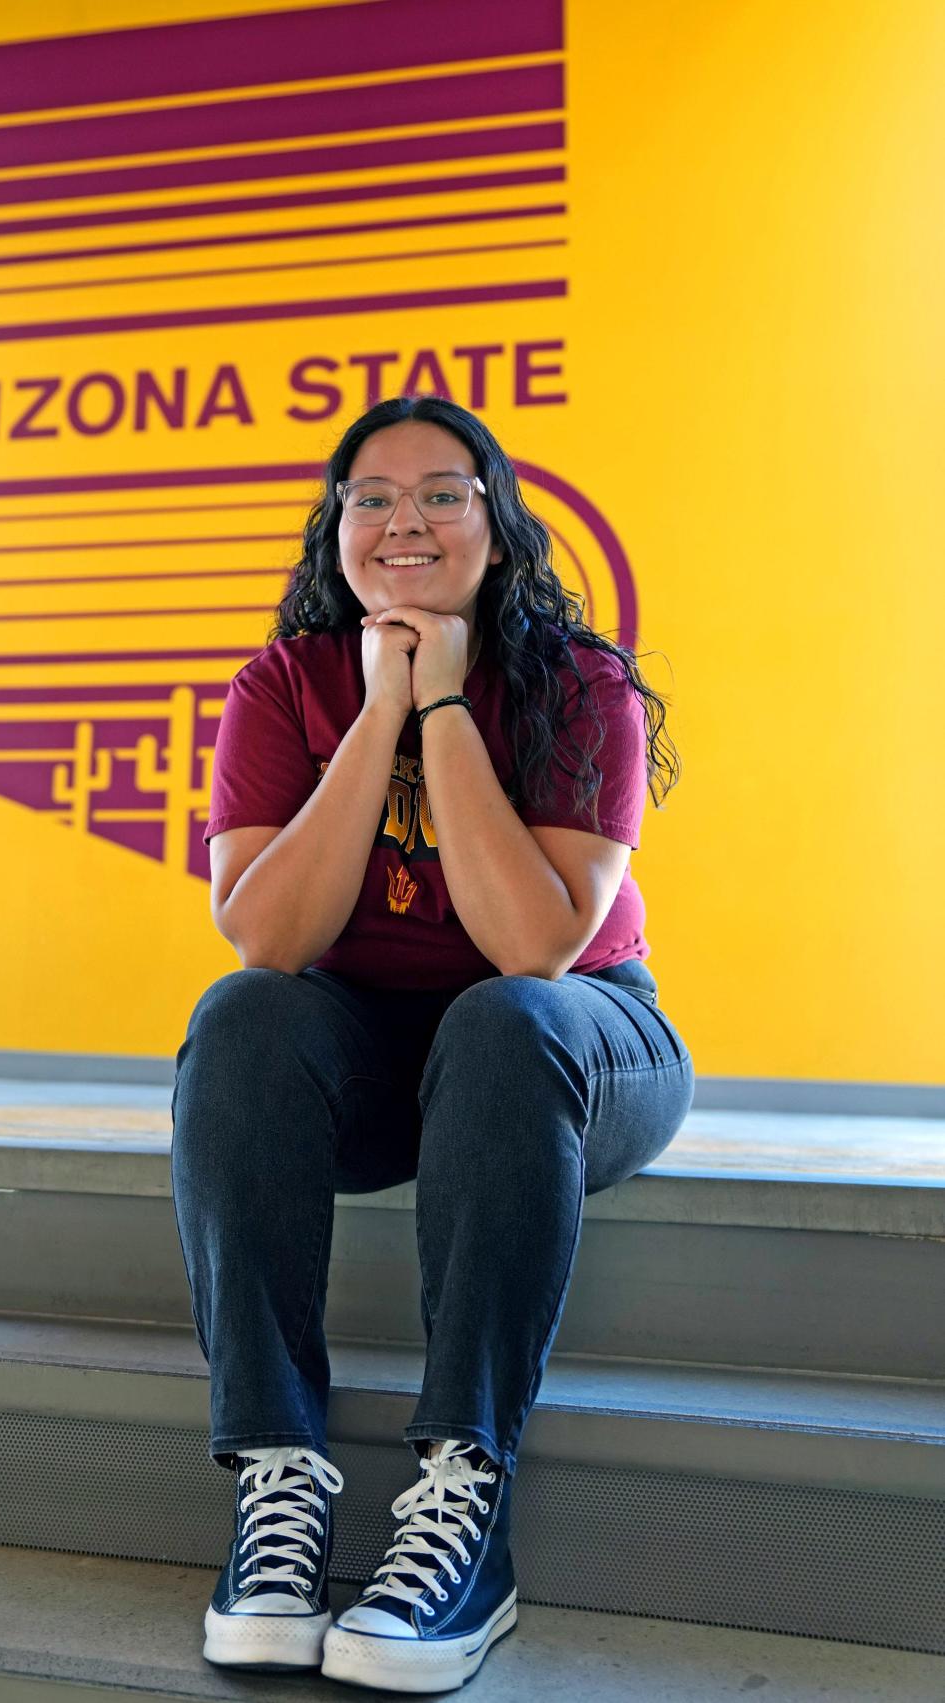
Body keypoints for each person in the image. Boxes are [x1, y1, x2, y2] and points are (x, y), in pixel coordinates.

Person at [170, 395, 694, 1692]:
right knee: (239, 1018)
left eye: (441, 493)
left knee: (502, 1015)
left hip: (574, 1047)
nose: (404, 519)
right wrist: (373, 712)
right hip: (371, 1061)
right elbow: (271, 942)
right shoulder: (281, 687)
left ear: (496, 522)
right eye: (371, 497)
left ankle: (466, 1504)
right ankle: (278, 1483)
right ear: (334, 529)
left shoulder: (578, 687)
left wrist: (446, 703)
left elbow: (533, 948)